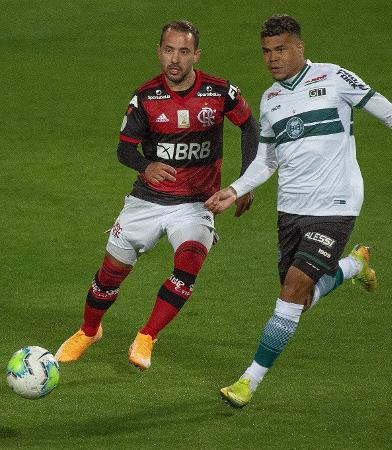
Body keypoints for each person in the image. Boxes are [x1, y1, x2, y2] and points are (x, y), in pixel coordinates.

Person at [205, 14, 392, 407]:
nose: (272, 58)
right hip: (291, 209)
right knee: (299, 300)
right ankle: (355, 265)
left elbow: (385, 111)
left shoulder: (334, 78)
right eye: (267, 52)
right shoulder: (270, 100)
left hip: (337, 203)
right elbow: (267, 160)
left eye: (281, 49)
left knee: (292, 291)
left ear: (299, 47)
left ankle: (248, 380)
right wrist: (235, 189)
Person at [55, 20, 259, 369]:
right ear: (159, 51)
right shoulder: (146, 98)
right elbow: (124, 150)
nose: (175, 59)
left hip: (196, 203)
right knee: (110, 274)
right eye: (168, 50)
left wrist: (245, 183)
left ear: (196, 54)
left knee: (190, 261)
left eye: (183, 51)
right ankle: (89, 331)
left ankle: (147, 335)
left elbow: (249, 126)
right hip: (147, 201)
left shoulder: (220, 92)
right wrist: (145, 166)